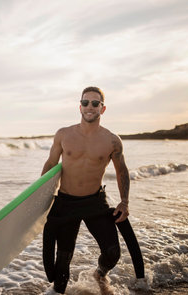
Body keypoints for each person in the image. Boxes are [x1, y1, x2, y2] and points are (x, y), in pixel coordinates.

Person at [41, 86, 144, 294]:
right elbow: (51, 164)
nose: (90, 107)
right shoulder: (63, 134)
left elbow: (122, 171)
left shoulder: (112, 140)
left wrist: (124, 202)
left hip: (95, 202)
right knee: (62, 264)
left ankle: (100, 273)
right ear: (80, 107)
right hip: (65, 203)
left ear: (102, 109)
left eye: (95, 103)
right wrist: (39, 198)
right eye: (86, 103)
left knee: (112, 252)